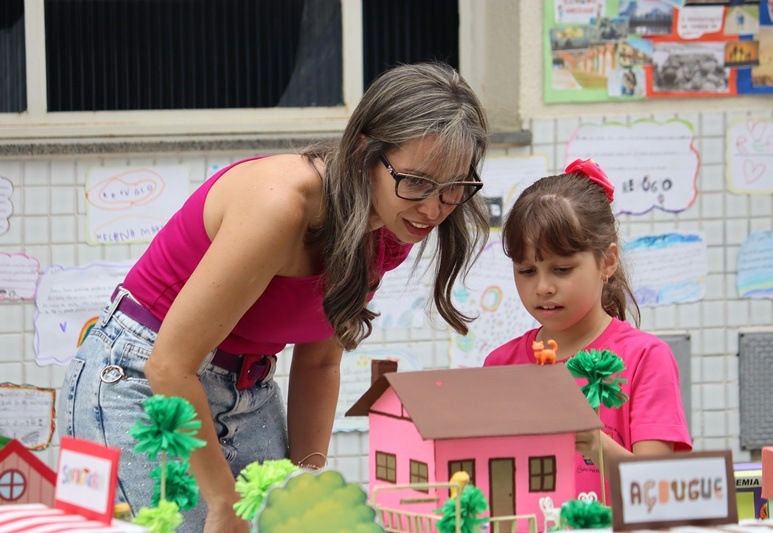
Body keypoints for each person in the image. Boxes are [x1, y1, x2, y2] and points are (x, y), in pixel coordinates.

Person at [58, 62, 490, 532]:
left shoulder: (389, 227)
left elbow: (319, 362)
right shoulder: (279, 206)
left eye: (453, 189)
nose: (433, 209)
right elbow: (169, 365)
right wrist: (222, 501)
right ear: (364, 150)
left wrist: (309, 486)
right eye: (417, 182)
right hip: (142, 380)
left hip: (249, 390)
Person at [483, 158, 691, 498]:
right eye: (527, 271)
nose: (543, 287)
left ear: (607, 261)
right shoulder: (500, 365)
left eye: (562, 269)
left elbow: (658, 489)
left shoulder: (645, 358)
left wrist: (596, 443)